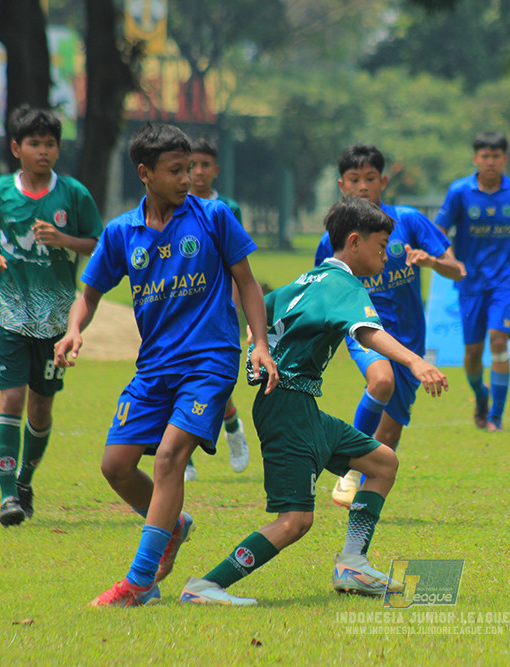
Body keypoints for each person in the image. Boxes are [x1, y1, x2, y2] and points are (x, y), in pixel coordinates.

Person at [179, 196, 448, 606]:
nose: (386, 255)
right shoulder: (344, 285)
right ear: (354, 242)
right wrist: (415, 362)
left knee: (382, 463)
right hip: (287, 409)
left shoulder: (308, 279)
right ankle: (206, 586)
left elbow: (261, 313)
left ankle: (352, 563)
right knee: (295, 521)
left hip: (301, 407)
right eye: (381, 245)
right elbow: (367, 332)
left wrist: (258, 343)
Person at [53, 123, 278, 607]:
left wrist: (259, 342)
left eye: (190, 168)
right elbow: (89, 293)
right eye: (176, 170)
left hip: (210, 359)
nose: (188, 178)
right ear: (145, 173)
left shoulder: (213, 216)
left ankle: (139, 583)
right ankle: (172, 527)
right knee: (116, 466)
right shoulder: (121, 232)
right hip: (154, 366)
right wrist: (73, 329)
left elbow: (247, 282)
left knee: (170, 457)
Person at [0, 104, 102, 527]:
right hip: (8, 313)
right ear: (16, 148)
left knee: (41, 407)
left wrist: (64, 239)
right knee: (11, 398)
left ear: (59, 149)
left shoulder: (74, 194)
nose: (43, 151)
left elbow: (99, 244)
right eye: (35, 143)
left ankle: (25, 479)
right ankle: (8, 496)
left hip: (56, 321)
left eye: (50, 144)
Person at [314, 144, 464, 507]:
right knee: (381, 381)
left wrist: (432, 262)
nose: (363, 186)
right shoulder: (332, 240)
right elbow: (322, 290)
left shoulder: (408, 221)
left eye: (370, 178)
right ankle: (348, 469)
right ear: (342, 185)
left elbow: (457, 269)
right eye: (354, 179)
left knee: (390, 432)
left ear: (383, 181)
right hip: (364, 328)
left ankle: (363, 506)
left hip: (410, 336)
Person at [434, 131, 510, 432]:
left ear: (505, 159)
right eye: (485, 156)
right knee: (473, 354)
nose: (490, 162)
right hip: (470, 283)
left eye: (496, 156)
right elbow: (438, 231)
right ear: (475, 159)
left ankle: (496, 416)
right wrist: (451, 260)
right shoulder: (459, 192)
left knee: (499, 341)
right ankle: (481, 395)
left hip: (504, 280)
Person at [183, 136, 250, 480]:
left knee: (215, 380)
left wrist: (233, 307)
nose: (197, 171)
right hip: (179, 307)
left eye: (204, 165)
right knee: (178, 377)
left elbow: (236, 264)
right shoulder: (172, 204)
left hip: (215, 308)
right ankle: (183, 457)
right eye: (191, 164)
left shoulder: (227, 209)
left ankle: (233, 426)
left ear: (216, 169)